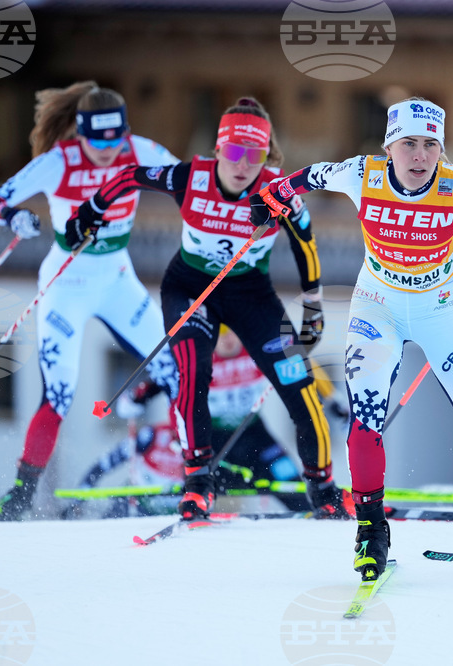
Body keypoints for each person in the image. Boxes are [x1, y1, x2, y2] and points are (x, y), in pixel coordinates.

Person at [248, 97, 453, 579]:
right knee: (366, 421)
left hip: (441, 311)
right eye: (409, 144)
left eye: (431, 145)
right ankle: (371, 530)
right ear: (390, 147)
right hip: (376, 308)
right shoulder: (362, 174)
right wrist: (277, 194)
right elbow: (313, 176)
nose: (420, 155)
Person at [67, 97, 347, 520]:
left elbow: (304, 241)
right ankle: (198, 485)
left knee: (300, 387)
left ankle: (324, 489)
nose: (243, 164)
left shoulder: (279, 191)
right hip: (190, 289)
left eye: (254, 155)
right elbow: (127, 176)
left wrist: (313, 305)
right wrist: (90, 211)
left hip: (252, 295)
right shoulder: (188, 176)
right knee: (193, 374)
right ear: (218, 150)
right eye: (234, 152)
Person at [0, 81, 179, 521]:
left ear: (125, 133)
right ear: (79, 132)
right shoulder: (57, 162)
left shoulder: (140, 149)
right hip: (65, 286)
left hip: (117, 280)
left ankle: (197, 481)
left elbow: (192, 184)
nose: (106, 150)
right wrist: (16, 217)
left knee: (177, 369)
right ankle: (20, 495)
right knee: (60, 395)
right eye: (95, 140)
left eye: (114, 140)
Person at [62, 325, 350, 518]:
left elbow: (303, 365)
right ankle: (161, 511)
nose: (228, 340)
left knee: (286, 476)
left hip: (253, 433)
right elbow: (165, 377)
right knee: (206, 481)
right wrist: (137, 398)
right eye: (222, 334)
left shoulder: (256, 350)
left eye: (232, 334)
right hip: (212, 437)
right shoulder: (201, 356)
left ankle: (314, 512)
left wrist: (333, 400)